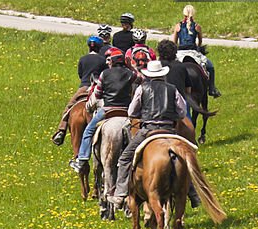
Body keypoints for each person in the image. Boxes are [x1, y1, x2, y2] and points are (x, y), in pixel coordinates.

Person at [109, 58, 197, 209]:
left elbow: (131, 111)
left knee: (124, 158)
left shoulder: (142, 89)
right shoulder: (172, 89)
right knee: (187, 160)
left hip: (148, 130)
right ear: (163, 74)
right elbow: (182, 111)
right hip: (170, 130)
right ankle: (192, 193)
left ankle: (120, 193)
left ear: (149, 75)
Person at [70, 47, 136, 172]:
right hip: (126, 110)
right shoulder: (130, 74)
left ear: (114, 61)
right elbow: (141, 79)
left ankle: (82, 159)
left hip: (108, 110)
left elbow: (98, 94)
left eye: (109, 60)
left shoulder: (104, 74)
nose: (107, 62)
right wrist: (131, 67)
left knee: (88, 131)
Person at [51, 35, 105, 146]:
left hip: (84, 86)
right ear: (100, 48)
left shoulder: (83, 59)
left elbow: (80, 74)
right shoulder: (103, 60)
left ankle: (61, 130)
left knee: (69, 107)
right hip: (98, 87)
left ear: (89, 47)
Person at [172, 5, 221, 97]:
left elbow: (174, 42)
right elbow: (200, 41)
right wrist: (198, 48)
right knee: (210, 66)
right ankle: (212, 88)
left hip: (180, 53)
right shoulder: (197, 26)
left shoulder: (177, 26)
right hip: (193, 52)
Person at [157, 38, 193, 117]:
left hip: (158, 104)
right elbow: (188, 90)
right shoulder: (181, 66)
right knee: (188, 123)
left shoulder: (156, 66)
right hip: (178, 103)